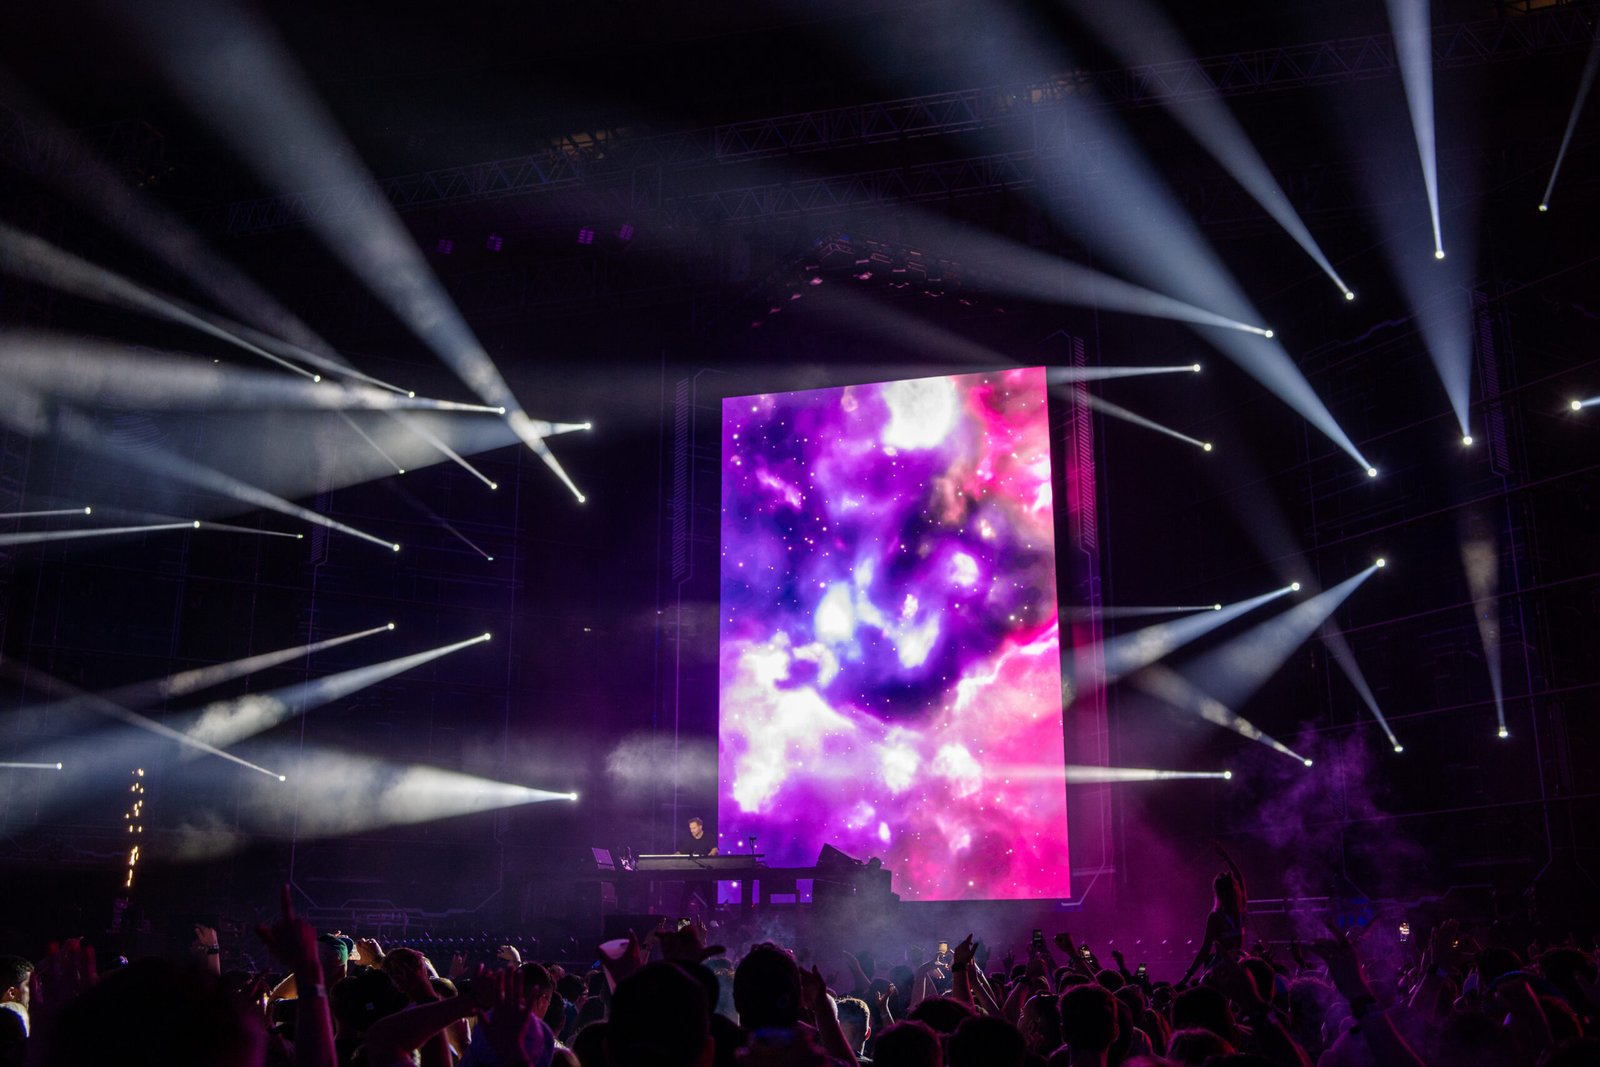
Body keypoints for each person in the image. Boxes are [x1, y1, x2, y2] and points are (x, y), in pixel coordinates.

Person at [1181, 843, 1247, 986]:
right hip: (1241, 961)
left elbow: (1205, 950)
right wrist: (1226, 857)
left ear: (1217, 892)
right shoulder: (1241, 909)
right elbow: (1239, 878)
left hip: (1222, 965)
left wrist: (1186, 977)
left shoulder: (1215, 917)